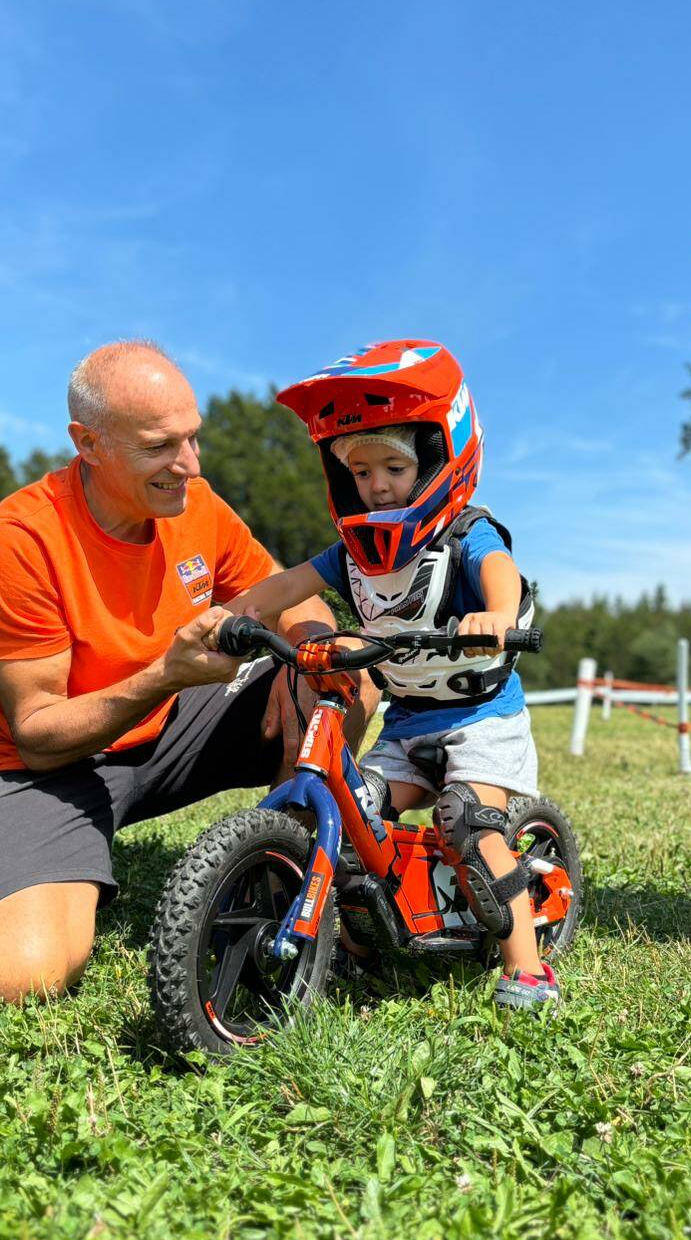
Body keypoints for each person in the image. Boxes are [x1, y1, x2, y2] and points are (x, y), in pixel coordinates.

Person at [0, 340, 372, 1004]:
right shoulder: (20, 542)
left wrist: (316, 649)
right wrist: (164, 675)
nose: (189, 465)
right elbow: (35, 732)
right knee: (22, 978)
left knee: (336, 678)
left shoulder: (197, 507)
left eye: (193, 439)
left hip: (171, 728)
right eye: (159, 447)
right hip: (50, 767)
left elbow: (294, 601)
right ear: (89, 444)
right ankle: (62, 859)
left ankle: (283, 882)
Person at [222, 340, 559, 1013]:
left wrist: (492, 616)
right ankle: (361, 944)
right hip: (406, 725)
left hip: (480, 722)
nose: (377, 486)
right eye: (361, 470)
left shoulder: (465, 534)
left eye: (396, 468)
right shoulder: (352, 555)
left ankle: (527, 966)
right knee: (356, 811)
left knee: (471, 823)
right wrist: (234, 615)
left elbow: (501, 576)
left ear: (440, 457)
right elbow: (288, 584)